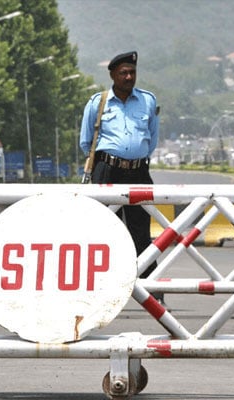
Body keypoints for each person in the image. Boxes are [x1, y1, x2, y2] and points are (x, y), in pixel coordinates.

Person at [79, 51, 165, 305]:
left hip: (138, 171)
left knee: (141, 232)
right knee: (107, 231)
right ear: (113, 75)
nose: (129, 77)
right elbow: (86, 142)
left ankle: (151, 291)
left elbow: (152, 137)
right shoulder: (98, 102)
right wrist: (111, 162)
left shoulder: (148, 101)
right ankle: (105, 291)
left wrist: (134, 159)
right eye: (123, 73)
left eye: (132, 72)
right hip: (107, 170)